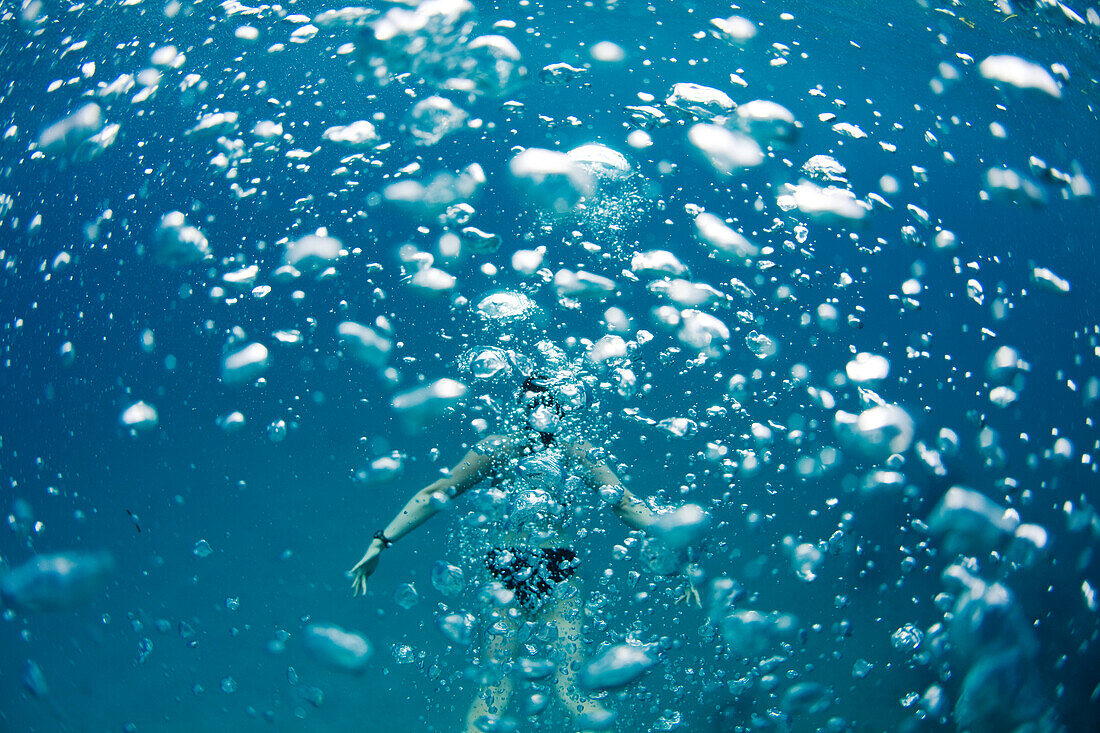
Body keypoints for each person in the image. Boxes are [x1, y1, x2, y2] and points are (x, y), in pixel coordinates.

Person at [349, 374, 689, 732]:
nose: (539, 411)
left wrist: (675, 543)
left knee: (527, 688)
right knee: (542, 688)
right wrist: (381, 541)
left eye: (545, 403)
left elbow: (625, 504)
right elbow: (437, 492)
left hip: (529, 568)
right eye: (532, 404)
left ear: (561, 406)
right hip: (531, 568)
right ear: (523, 409)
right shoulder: (505, 448)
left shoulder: (559, 449)